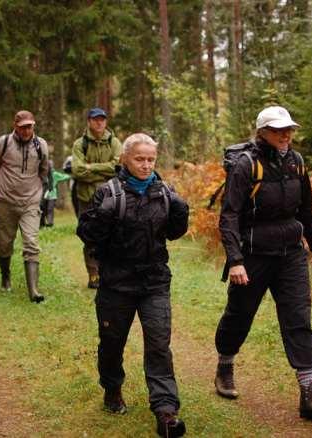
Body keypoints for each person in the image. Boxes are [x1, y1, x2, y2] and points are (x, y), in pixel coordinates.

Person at [213, 106, 312, 420]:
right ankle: (225, 365)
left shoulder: (296, 162)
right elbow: (228, 216)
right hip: (253, 254)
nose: (286, 135)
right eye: (279, 129)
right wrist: (235, 260)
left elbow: (306, 209)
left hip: (291, 253)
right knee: (239, 315)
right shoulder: (246, 165)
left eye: (289, 129)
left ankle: (310, 392)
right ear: (262, 132)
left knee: (298, 318)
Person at [77, 133, 189, 437]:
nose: (146, 164)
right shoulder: (108, 193)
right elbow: (86, 234)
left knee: (158, 345)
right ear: (125, 159)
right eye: (139, 158)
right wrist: (103, 217)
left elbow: (175, 233)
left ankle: (166, 412)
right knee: (112, 344)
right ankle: (112, 389)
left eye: (151, 159)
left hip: (154, 282)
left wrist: (181, 210)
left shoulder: (164, 192)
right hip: (116, 284)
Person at [0, 110, 49, 303]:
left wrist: (36, 192)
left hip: (30, 201)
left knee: (31, 242)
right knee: (4, 244)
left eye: (29, 126)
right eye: (22, 127)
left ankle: (34, 291)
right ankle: (5, 275)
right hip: (5, 201)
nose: (26, 130)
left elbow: (44, 170)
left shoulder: (41, 145)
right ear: (15, 126)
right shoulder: (3, 143)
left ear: (34, 126)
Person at [71, 107, 122, 289]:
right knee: (90, 236)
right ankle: (93, 274)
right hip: (86, 198)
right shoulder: (80, 144)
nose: (99, 122)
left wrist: (91, 167)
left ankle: (108, 273)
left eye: (102, 119)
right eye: (95, 119)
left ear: (106, 122)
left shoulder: (114, 142)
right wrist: (104, 171)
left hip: (111, 198)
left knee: (113, 235)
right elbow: (77, 170)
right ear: (89, 121)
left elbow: (118, 168)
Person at [40, 159, 71, 227]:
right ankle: (42, 224)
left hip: (52, 195)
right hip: (43, 195)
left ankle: (50, 223)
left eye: (50, 166)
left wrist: (71, 174)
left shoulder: (55, 174)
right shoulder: (42, 174)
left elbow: (64, 177)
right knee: (42, 209)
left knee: (50, 209)